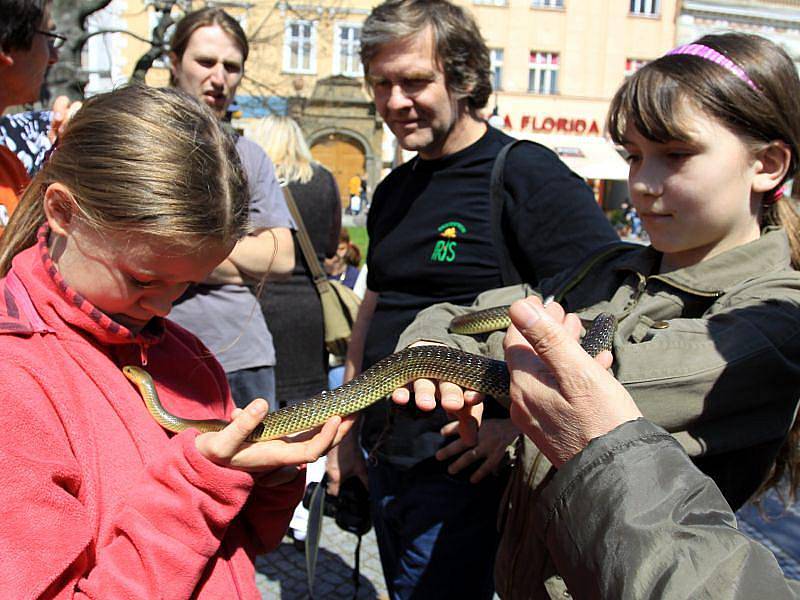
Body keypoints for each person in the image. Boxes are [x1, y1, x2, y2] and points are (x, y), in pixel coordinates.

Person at [393, 32, 800, 598]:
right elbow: (462, 314)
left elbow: (591, 383)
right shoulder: (608, 270)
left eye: (675, 155)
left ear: (767, 164)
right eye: (633, 156)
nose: (641, 183)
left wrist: (484, 371)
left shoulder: (776, 313)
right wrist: (423, 352)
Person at [0, 84, 353, 599]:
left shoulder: (183, 354)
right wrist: (199, 484)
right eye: (143, 280)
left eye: (186, 285)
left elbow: (237, 546)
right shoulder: (16, 381)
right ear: (63, 212)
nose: (165, 307)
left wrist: (267, 484)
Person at [324, 1, 619, 597]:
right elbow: (373, 310)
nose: (394, 101)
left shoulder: (523, 173)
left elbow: (606, 308)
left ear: (462, 78)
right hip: (387, 458)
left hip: (464, 475)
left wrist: (515, 427)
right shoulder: (393, 189)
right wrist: (345, 434)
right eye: (381, 83)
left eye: (414, 81)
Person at [506, 296, 799, 599]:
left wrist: (603, 448)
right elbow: (470, 315)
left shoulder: (779, 311)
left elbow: (611, 377)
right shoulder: (616, 266)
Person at [165, 7, 295, 411]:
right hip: (156, 348)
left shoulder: (249, 155)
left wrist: (185, 256)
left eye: (231, 66)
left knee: (259, 475)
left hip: (243, 357)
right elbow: (143, 246)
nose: (219, 78)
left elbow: (281, 256)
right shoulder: (144, 145)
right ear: (174, 61)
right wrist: (235, 266)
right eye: (205, 62)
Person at [257, 114, 342, 545]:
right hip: (307, 309)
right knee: (311, 407)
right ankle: (303, 499)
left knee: (262, 404)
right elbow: (328, 246)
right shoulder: (323, 180)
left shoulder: (253, 179)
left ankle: (263, 492)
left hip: (258, 306)